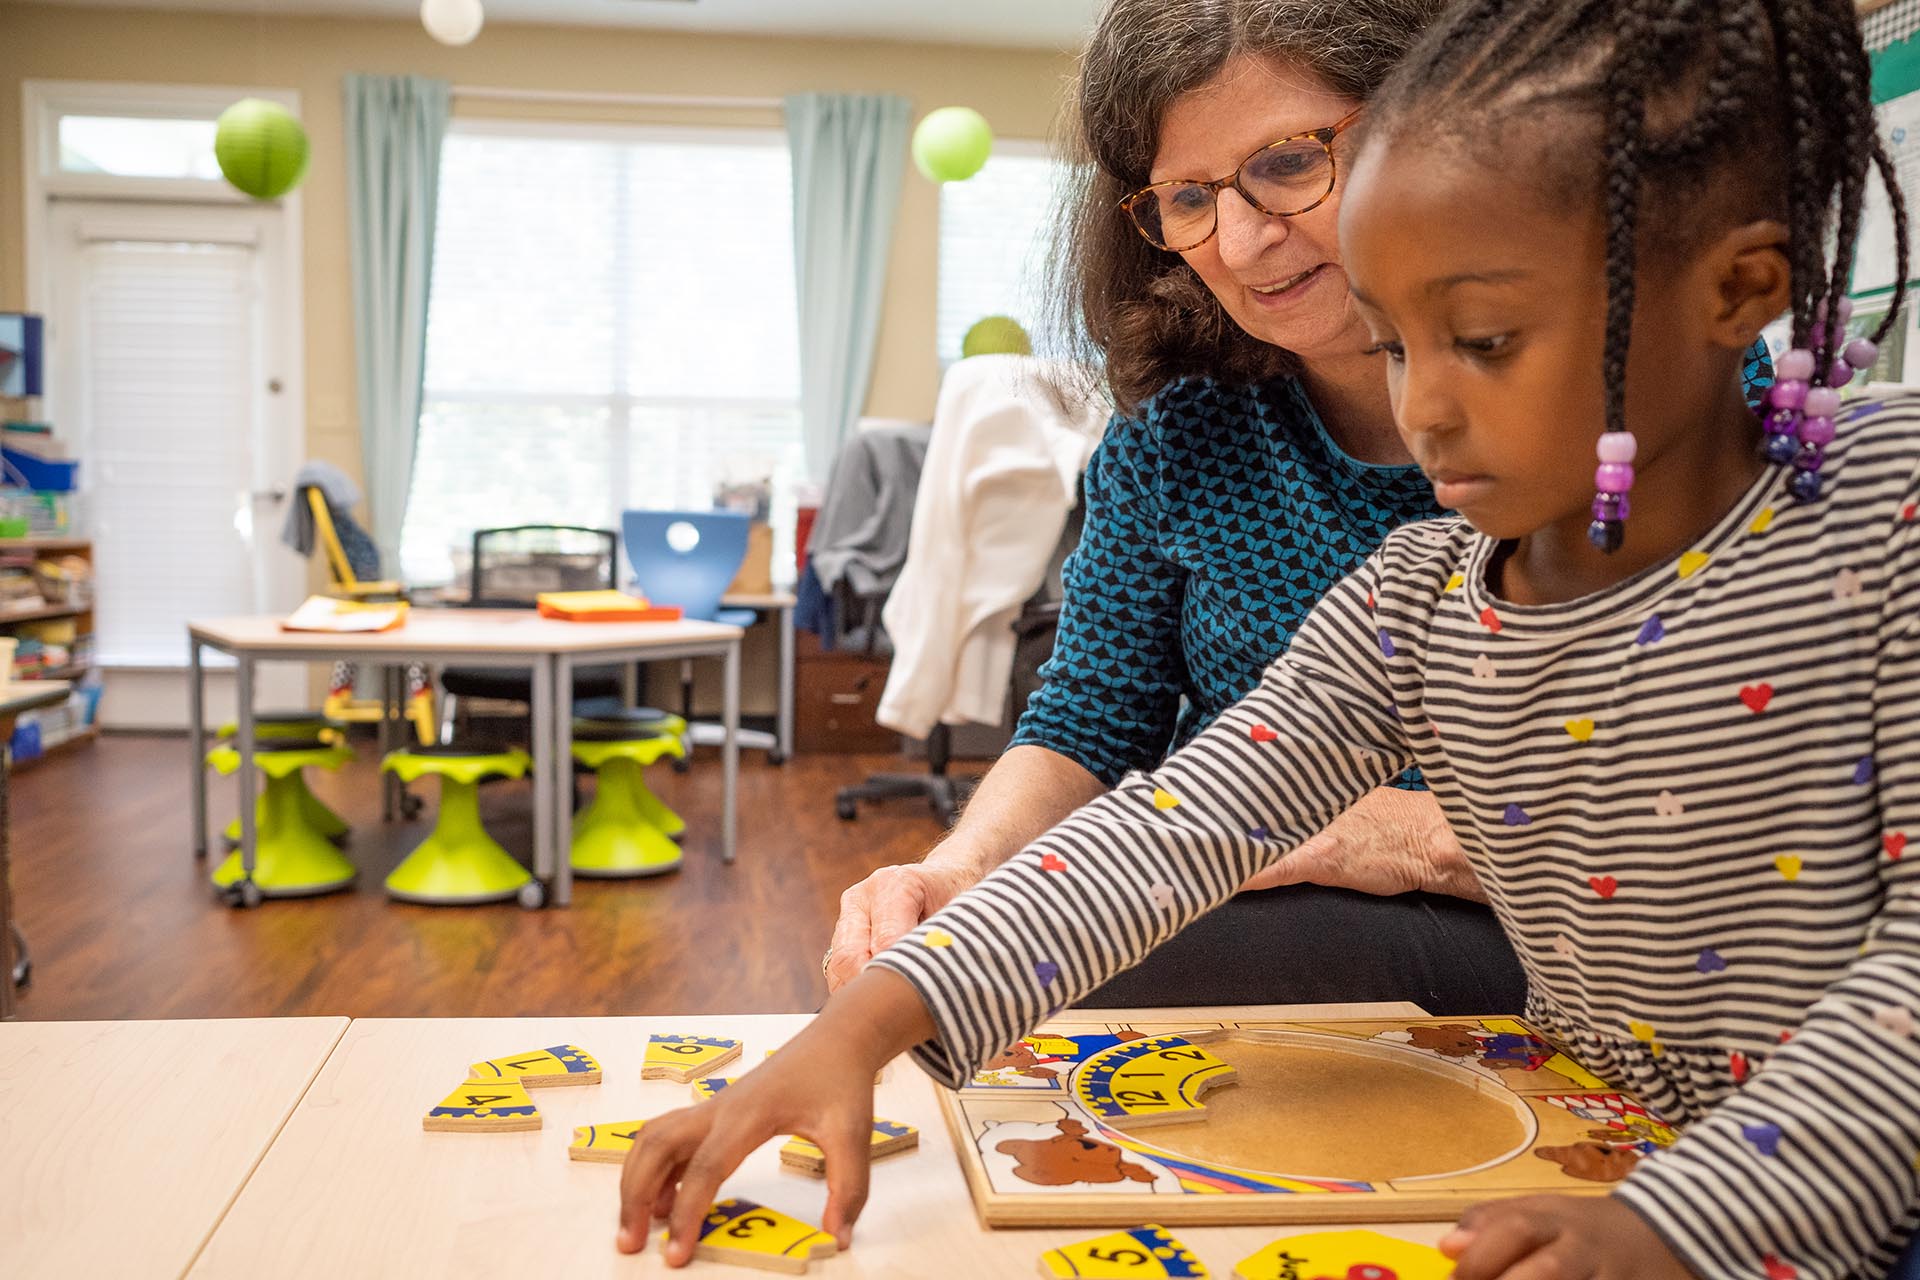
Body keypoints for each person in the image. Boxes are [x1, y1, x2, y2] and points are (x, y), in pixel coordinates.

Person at [622, 0, 1920, 1275]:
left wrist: (1678, 1218)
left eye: (1481, 341)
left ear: (1738, 291)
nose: (1426, 412)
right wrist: (858, 1028)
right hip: (1623, 1160)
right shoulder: (1418, 592)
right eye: (1396, 344)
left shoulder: (1883, 515)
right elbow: (1175, 829)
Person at [826, 0, 1771, 1013]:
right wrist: (963, 870)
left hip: (1585, 937)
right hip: (1247, 890)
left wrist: (1388, 832)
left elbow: (1738, 783)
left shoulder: (1662, 394)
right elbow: (1091, 719)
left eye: (1287, 163)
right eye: (1186, 197)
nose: (1237, 242)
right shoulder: (1184, 434)